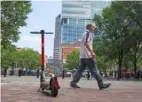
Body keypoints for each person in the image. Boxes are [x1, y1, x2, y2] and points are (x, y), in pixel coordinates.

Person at [70, 24, 111, 90]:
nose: (94, 28)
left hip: (83, 56)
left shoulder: (84, 34)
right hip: (88, 56)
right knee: (94, 70)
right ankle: (101, 85)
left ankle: (73, 83)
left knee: (80, 70)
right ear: (89, 27)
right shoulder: (88, 33)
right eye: (93, 27)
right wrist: (92, 52)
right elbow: (86, 43)